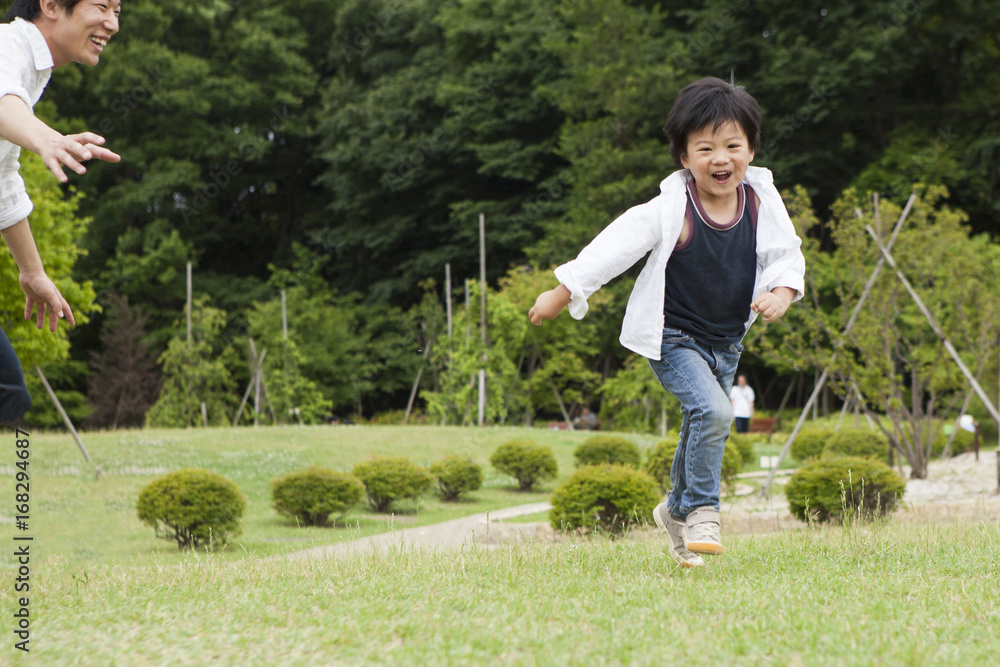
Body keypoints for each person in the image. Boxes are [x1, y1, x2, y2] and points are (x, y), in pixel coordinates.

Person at [528, 77, 805, 567]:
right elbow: (612, 248)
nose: (720, 159)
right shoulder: (670, 210)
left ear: (751, 149)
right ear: (684, 157)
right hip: (673, 338)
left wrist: (782, 291)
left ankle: (673, 510)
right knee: (716, 415)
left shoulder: (762, 201)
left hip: (726, 342)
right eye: (705, 148)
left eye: (732, 146)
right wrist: (562, 291)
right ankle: (701, 510)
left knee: (699, 421)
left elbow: (785, 253)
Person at [0, 0, 121, 422]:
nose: (113, 23)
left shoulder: (32, 72)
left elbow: (2, 179)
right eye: (103, 6)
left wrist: (32, 271)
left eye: (118, 10)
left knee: (8, 390)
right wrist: (47, 139)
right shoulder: (6, 46)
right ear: (51, 5)